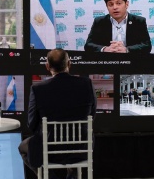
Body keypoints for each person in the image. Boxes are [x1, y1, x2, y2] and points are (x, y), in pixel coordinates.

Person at [18, 48, 97, 179]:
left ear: (47, 66)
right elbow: (92, 116)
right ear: (69, 64)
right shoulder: (86, 83)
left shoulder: (38, 89)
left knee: (23, 147)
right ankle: (73, 175)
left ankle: (49, 177)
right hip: (82, 147)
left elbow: (31, 124)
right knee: (77, 141)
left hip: (49, 151)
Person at [84, 0, 152, 53]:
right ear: (107, 6)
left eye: (118, 3)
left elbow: (147, 46)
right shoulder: (100, 21)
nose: (115, 7)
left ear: (126, 4)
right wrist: (105, 49)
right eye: (111, 4)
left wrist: (127, 50)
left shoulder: (139, 21)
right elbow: (88, 45)